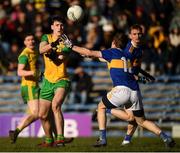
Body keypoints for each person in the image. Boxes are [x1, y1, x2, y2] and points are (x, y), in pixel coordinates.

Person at [60, 26, 175, 148]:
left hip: (122, 89)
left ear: (114, 43)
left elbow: (89, 52)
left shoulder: (111, 52)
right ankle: (165, 137)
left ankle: (102, 138)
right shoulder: (127, 56)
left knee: (100, 108)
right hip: (135, 91)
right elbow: (96, 57)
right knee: (141, 121)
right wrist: (144, 76)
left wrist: (71, 46)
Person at [38, 15, 72, 147]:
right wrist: (52, 46)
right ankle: (49, 140)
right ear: (52, 27)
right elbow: (41, 49)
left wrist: (52, 54)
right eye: (57, 25)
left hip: (62, 79)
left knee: (56, 105)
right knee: (42, 115)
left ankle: (60, 139)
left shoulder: (67, 42)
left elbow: (60, 60)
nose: (60, 27)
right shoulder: (46, 37)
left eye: (62, 25)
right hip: (47, 80)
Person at [9, 33, 40, 144]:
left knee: (45, 112)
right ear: (25, 42)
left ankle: (56, 139)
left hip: (35, 86)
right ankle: (16, 131)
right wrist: (34, 72)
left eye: (32, 39)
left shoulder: (35, 51)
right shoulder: (24, 55)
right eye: (28, 40)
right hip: (28, 86)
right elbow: (19, 72)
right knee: (37, 114)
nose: (31, 41)